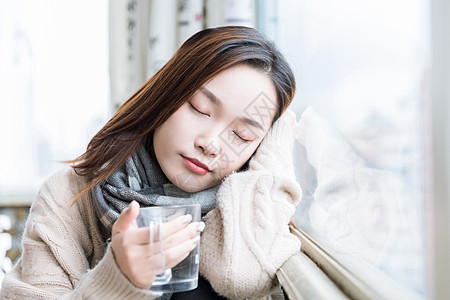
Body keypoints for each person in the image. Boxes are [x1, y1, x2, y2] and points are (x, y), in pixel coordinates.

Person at [0, 26, 301, 300]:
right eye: (199, 108)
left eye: (242, 135)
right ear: (166, 94)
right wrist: (118, 280)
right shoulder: (67, 194)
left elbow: (242, 276)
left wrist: (278, 138)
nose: (211, 144)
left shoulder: (245, 206)